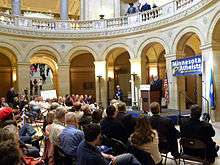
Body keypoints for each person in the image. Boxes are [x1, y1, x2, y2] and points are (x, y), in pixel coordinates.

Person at [77, 123, 141, 165]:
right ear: (96, 137)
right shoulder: (94, 159)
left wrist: (108, 156)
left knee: (129, 157)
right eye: (100, 135)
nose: (101, 137)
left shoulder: (83, 144)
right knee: (130, 157)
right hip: (108, 163)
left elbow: (97, 151)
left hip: (107, 160)